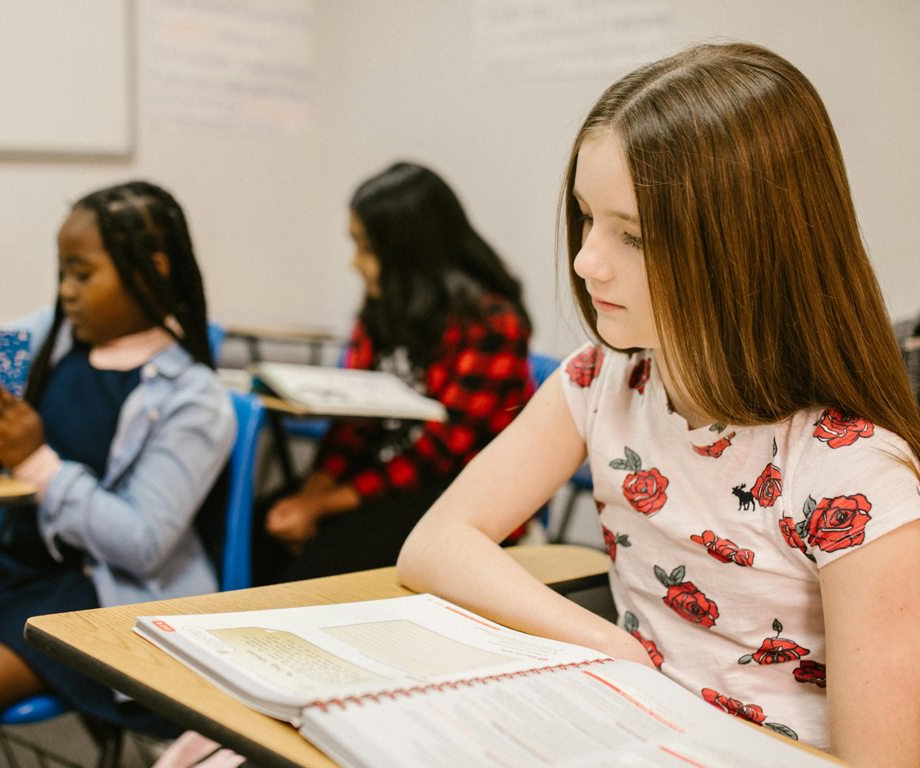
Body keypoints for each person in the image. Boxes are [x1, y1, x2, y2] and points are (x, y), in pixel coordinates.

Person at [397, 43, 920, 767]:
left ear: (747, 250)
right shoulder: (603, 383)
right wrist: (607, 646)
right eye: (586, 217)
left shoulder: (852, 475)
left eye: (634, 236)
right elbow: (434, 543)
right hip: (627, 730)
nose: (586, 260)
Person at [0, 181, 236, 768]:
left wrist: (37, 464)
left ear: (151, 270)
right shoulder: (55, 338)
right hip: (11, 564)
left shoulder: (194, 398)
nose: (65, 291)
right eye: (62, 272)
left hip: (99, 593)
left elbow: (142, 542)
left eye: (82, 274)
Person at [254, 162, 532, 584]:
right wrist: (312, 493)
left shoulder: (492, 323)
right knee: (261, 529)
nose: (355, 263)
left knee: (317, 571)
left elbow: (438, 453)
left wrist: (322, 506)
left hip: (454, 496)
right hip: (378, 481)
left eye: (366, 247)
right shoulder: (385, 305)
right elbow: (354, 418)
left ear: (408, 252)